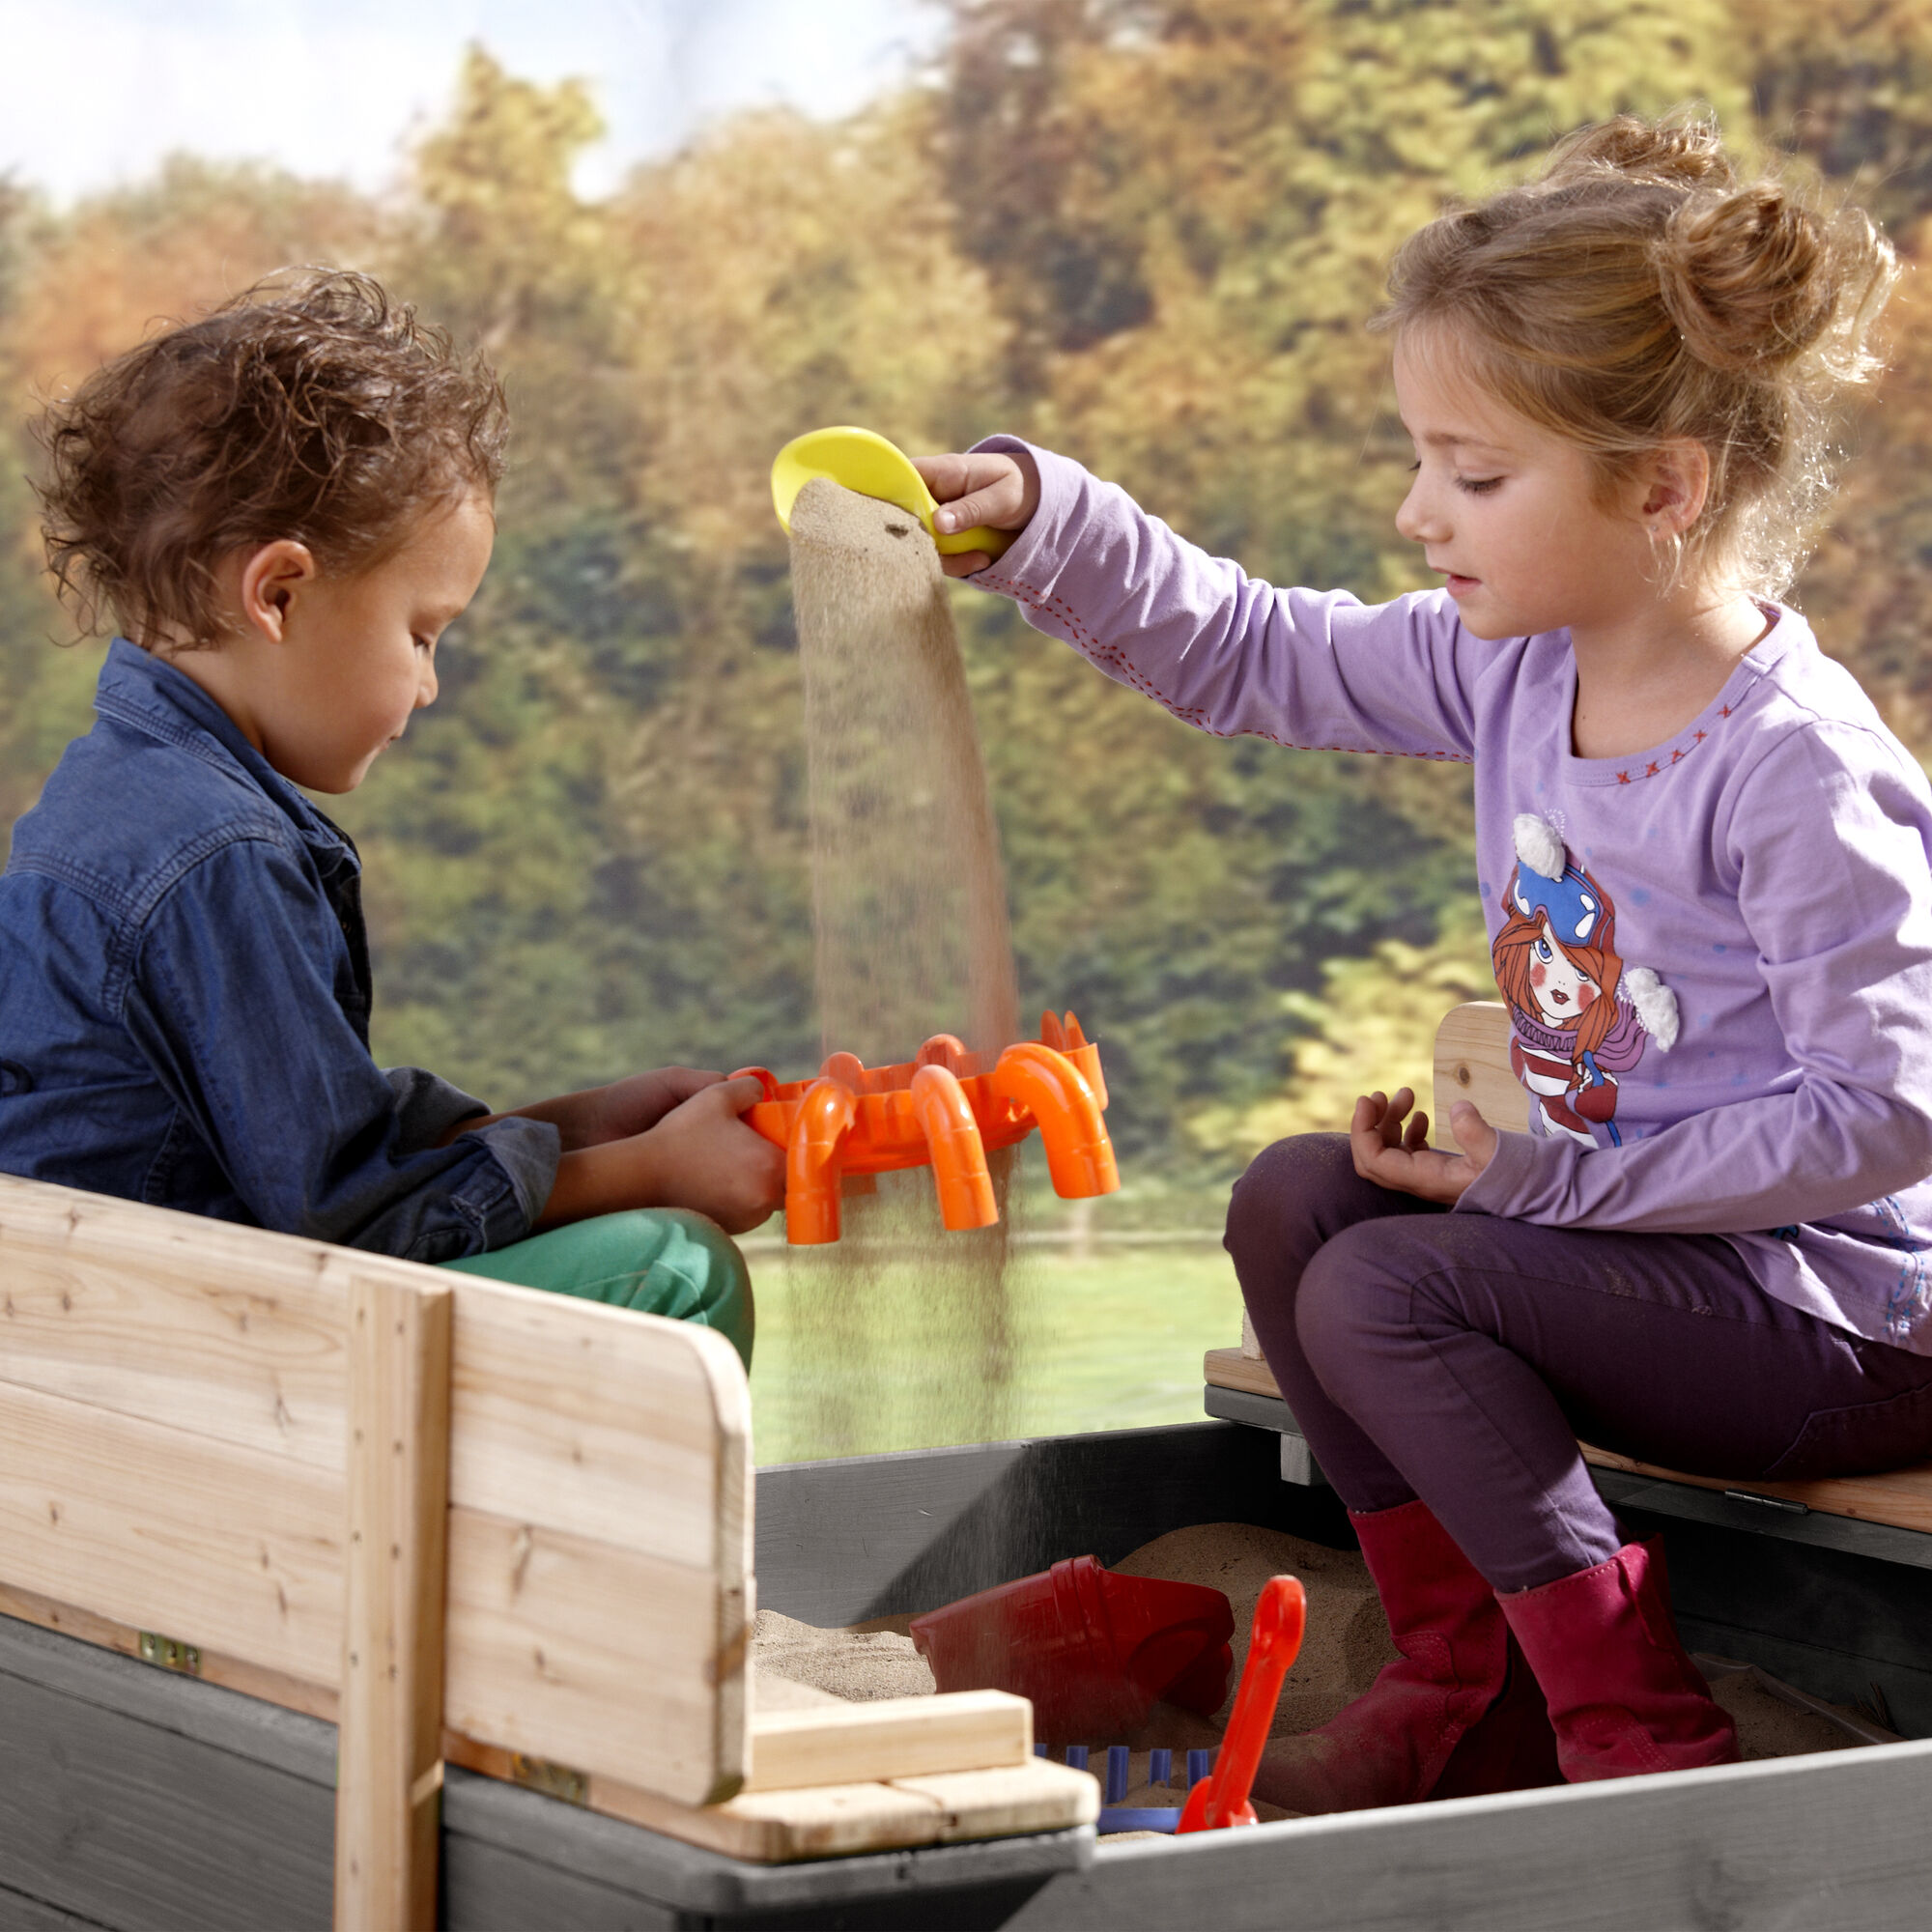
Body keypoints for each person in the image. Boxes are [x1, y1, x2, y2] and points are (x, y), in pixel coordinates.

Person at [915, 114, 1929, 1805]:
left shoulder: (1798, 768)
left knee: (1391, 1280)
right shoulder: (1511, 672)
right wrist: (1045, 522)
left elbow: (1885, 1114)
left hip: (1850, 1319)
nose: (1415, 511)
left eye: (1473, 474)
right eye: (1421, 460)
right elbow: (1256, 650)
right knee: (1294, 1204)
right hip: (1658, 1273)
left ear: (1662, 488)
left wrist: (1537, 1191)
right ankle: (1471, 1677)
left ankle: (1631, 1718)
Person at [0, 271, 781, 1366]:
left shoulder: (118, 803)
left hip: (118, 1332)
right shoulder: (215, 852)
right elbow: (349, 1216)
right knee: (669, 1268)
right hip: (181, 1362)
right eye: (421, 632)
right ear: (276, 594)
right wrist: (652, 1174)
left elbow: (309, 1140)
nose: (427, 685)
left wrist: (580, 1124)